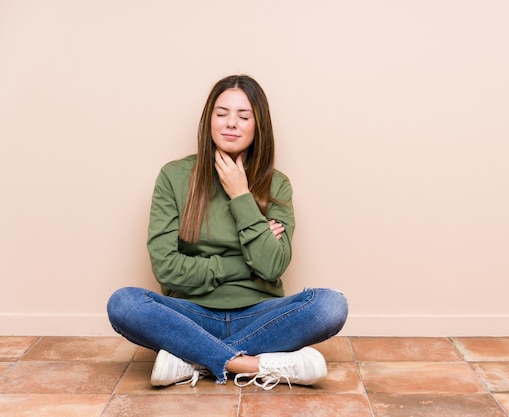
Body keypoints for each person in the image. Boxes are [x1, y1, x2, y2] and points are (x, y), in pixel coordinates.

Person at [107, 74, 348, 390]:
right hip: (190, 313)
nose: (231, 123)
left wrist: (241, 195)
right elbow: (166, 269)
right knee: (123, 303)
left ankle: (193, 356)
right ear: (209, 120)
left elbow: (273, 266)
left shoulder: (277, 184)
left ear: (258, 125)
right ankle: (250, 364)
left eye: (243, 116)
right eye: (222, 114)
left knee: (331, 305)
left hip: (260, 314)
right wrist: (242, 265)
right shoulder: (174, 177)